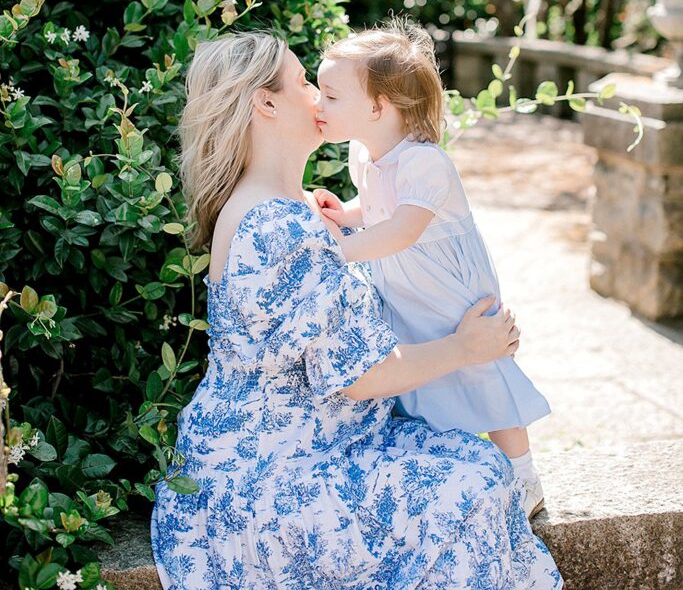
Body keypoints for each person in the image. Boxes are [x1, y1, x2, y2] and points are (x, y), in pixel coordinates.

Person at [150, 30, 563, 589]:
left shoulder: (284, 207)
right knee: (477, 482)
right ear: (265, 103)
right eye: (304, 84)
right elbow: (361, 376)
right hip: (277, 472)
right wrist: (467, 348)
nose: (318, 98)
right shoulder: (278, 225)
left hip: (287, 446)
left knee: (470, 458)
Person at [314, 19, 550, 519]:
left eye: (330, 96)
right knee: (434, 369)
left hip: (449, 288)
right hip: (406, 284)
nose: (319, 104)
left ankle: (525, 475)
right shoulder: (365, 152)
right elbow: (375, 207)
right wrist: (347, 216)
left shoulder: (425, 163)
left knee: (483, 368)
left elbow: (402, 229)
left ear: (379, 106)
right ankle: (461, 456)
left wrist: (337, 250)